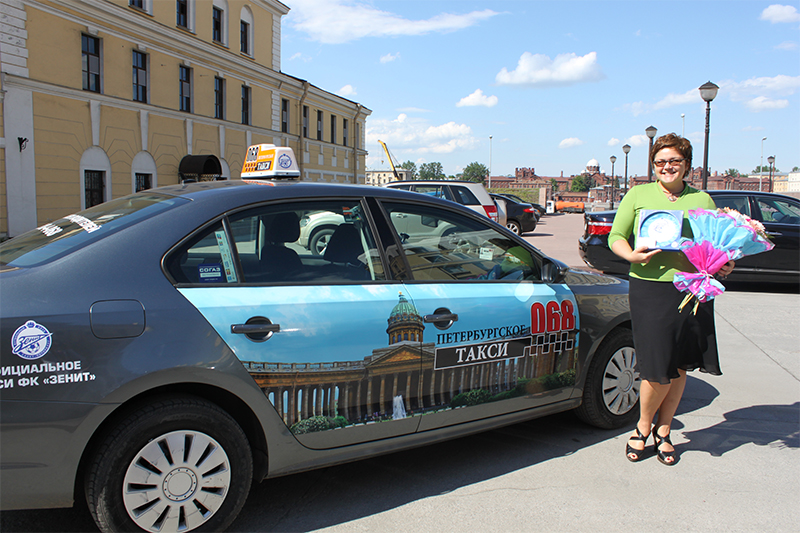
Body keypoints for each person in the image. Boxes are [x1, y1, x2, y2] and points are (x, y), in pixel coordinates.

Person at [608, 133, 734, 466]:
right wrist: (632, 256)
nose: (667, 167)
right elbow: (616, 237)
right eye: (660, 162)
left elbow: (714, 246)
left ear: (687, 165)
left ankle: (664, 431)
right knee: (654, 365)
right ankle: (642, 426)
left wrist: (725, 261)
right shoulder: (638, 194)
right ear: (653, 165)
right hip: (649, 288)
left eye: (674, 161)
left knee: (679, 363)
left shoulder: (703, 200)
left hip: (692, 289)